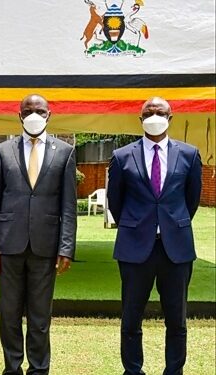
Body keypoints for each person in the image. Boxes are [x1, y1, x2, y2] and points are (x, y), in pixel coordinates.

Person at [0, 94, 77, 375]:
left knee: (40, 316)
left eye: (39, 110)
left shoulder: (65, 152)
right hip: (8, 246)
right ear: (19, 115)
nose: (34, 114)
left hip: (45, 246)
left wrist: (66, 247)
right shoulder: (2, 150)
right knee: (9, 315)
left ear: (49, 115)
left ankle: (39, 369)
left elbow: (69, 206)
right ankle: (12, 368)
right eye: (28, 110)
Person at [107, 97, 202, 375]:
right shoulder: (123, 156)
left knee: (177, 320)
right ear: (140, 120)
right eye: (149, 112)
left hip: (176, 249)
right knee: (131, 318)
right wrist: (138, 225)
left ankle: (174, 370)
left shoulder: (189, 154)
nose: (154, 116)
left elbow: (191, 199)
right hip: (135, 248)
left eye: (160, 112)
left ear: (170, 118)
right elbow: (116, 202)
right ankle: (133, 370)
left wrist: (171, 225)